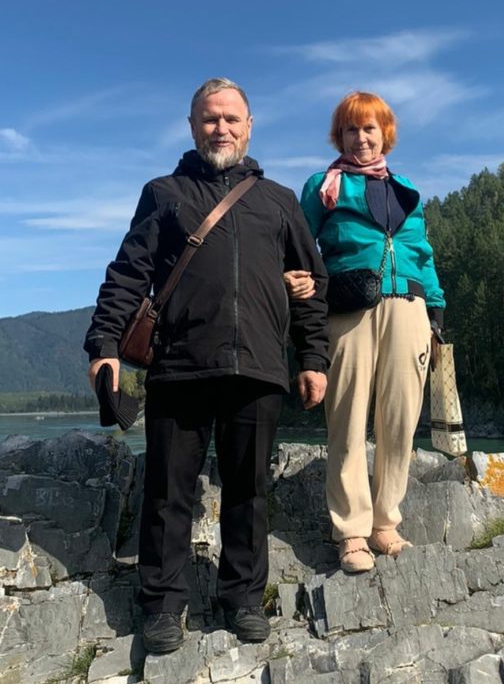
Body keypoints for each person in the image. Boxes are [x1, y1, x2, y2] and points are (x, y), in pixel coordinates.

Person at [84, 78, 328, 653]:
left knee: (249, 491)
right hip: (180, 365)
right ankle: (163, 604)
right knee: (167, 492)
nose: (221, 128)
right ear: (193, 127)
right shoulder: (163, 193)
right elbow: (127, 275)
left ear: (249, 127)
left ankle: (242, 598)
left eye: (231, 119)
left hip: (259, 367)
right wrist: (104, 346)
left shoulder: (280, 201)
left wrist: (313, 358)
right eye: (210, 119)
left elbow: (312, 285)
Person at [287, 91, 445, 574]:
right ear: (340, 136)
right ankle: (351, 531)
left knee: (400, 420)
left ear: (385, 134)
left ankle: (385, 523)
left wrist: (435, 308)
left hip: (409, 307)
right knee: (348, 418)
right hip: (348, 308)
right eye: (351, 130)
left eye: (369, 128)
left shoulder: (405, 188)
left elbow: (422, 251)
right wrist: (298, 282)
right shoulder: (322, 186)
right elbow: (297, 246)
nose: (361, 138)